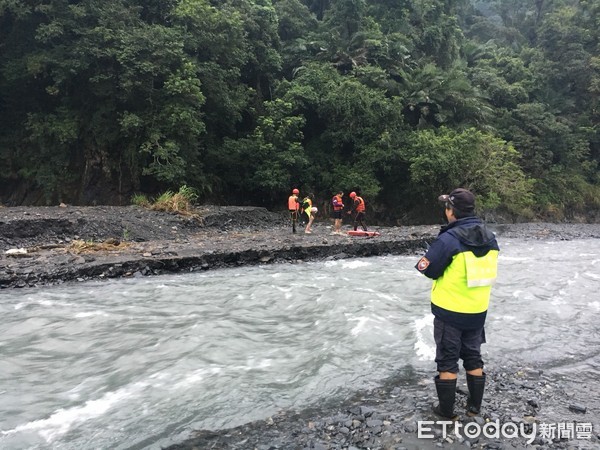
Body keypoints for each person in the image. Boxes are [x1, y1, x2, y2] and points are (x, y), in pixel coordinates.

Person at [415, 188, 499, 419]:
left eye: (446, 207)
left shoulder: (449, 239)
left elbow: (427, 269)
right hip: (477, 310)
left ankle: (446, 411)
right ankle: (474, 408)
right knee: (473, 355)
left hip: (450, 311)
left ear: (452, 211)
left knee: (447, 360)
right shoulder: (490, 237)